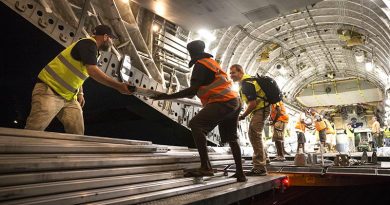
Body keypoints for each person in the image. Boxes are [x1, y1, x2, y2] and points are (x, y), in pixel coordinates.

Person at [151, 40, 246, 182]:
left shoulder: (200, 65)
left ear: (191, 54)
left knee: (196, 125)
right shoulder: (212, 63)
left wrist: (167, 97)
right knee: (232, 138)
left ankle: (205, 167)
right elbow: (196, 91)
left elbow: (191, 91)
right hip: (234, 102)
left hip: (223, 101)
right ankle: (240, 173)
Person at [25, 25, 132, 135]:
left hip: (69, 97)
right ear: (105, 37)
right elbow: (92, 71)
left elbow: (78, 72)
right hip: (49, 91)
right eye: (111, 38)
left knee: (77, 134)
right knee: (33, 131)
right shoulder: (88, 44)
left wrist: (80, 92)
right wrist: (119, 86)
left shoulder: (92, 50)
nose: (112, 42)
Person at [229, 64, 269, 176]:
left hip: (261, 108)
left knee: (254, 134)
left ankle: (260, 167)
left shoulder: (247, 83)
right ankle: (265, 159)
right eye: (230, 73)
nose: (231, 75)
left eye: (233, 72)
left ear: (240, 72)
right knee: (256, 135)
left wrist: (243, 116)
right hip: (260, 109)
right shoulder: (245, 83)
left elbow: (253, 103)